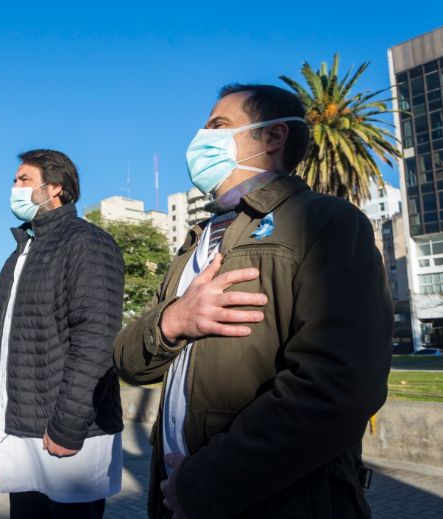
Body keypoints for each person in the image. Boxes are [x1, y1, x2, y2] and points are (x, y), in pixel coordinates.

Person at [113, 84, 392, 518]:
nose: (199, 141)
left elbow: (338, 389)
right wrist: (173, 322)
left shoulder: (328, 223)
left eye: (218, 126)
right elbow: (129, 363)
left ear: (273, 137)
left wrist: (201, 486)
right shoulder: (193, 245)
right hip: (175, 502)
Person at [0, 149, 125, 519]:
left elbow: (96, 340)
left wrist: (67, 425)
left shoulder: (88, 242)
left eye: (23, 180)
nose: (14, 188)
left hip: (68, 434)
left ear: (55, 188)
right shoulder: (19, 255)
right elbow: (3, 337)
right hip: (21, 429)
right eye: (14, 180)